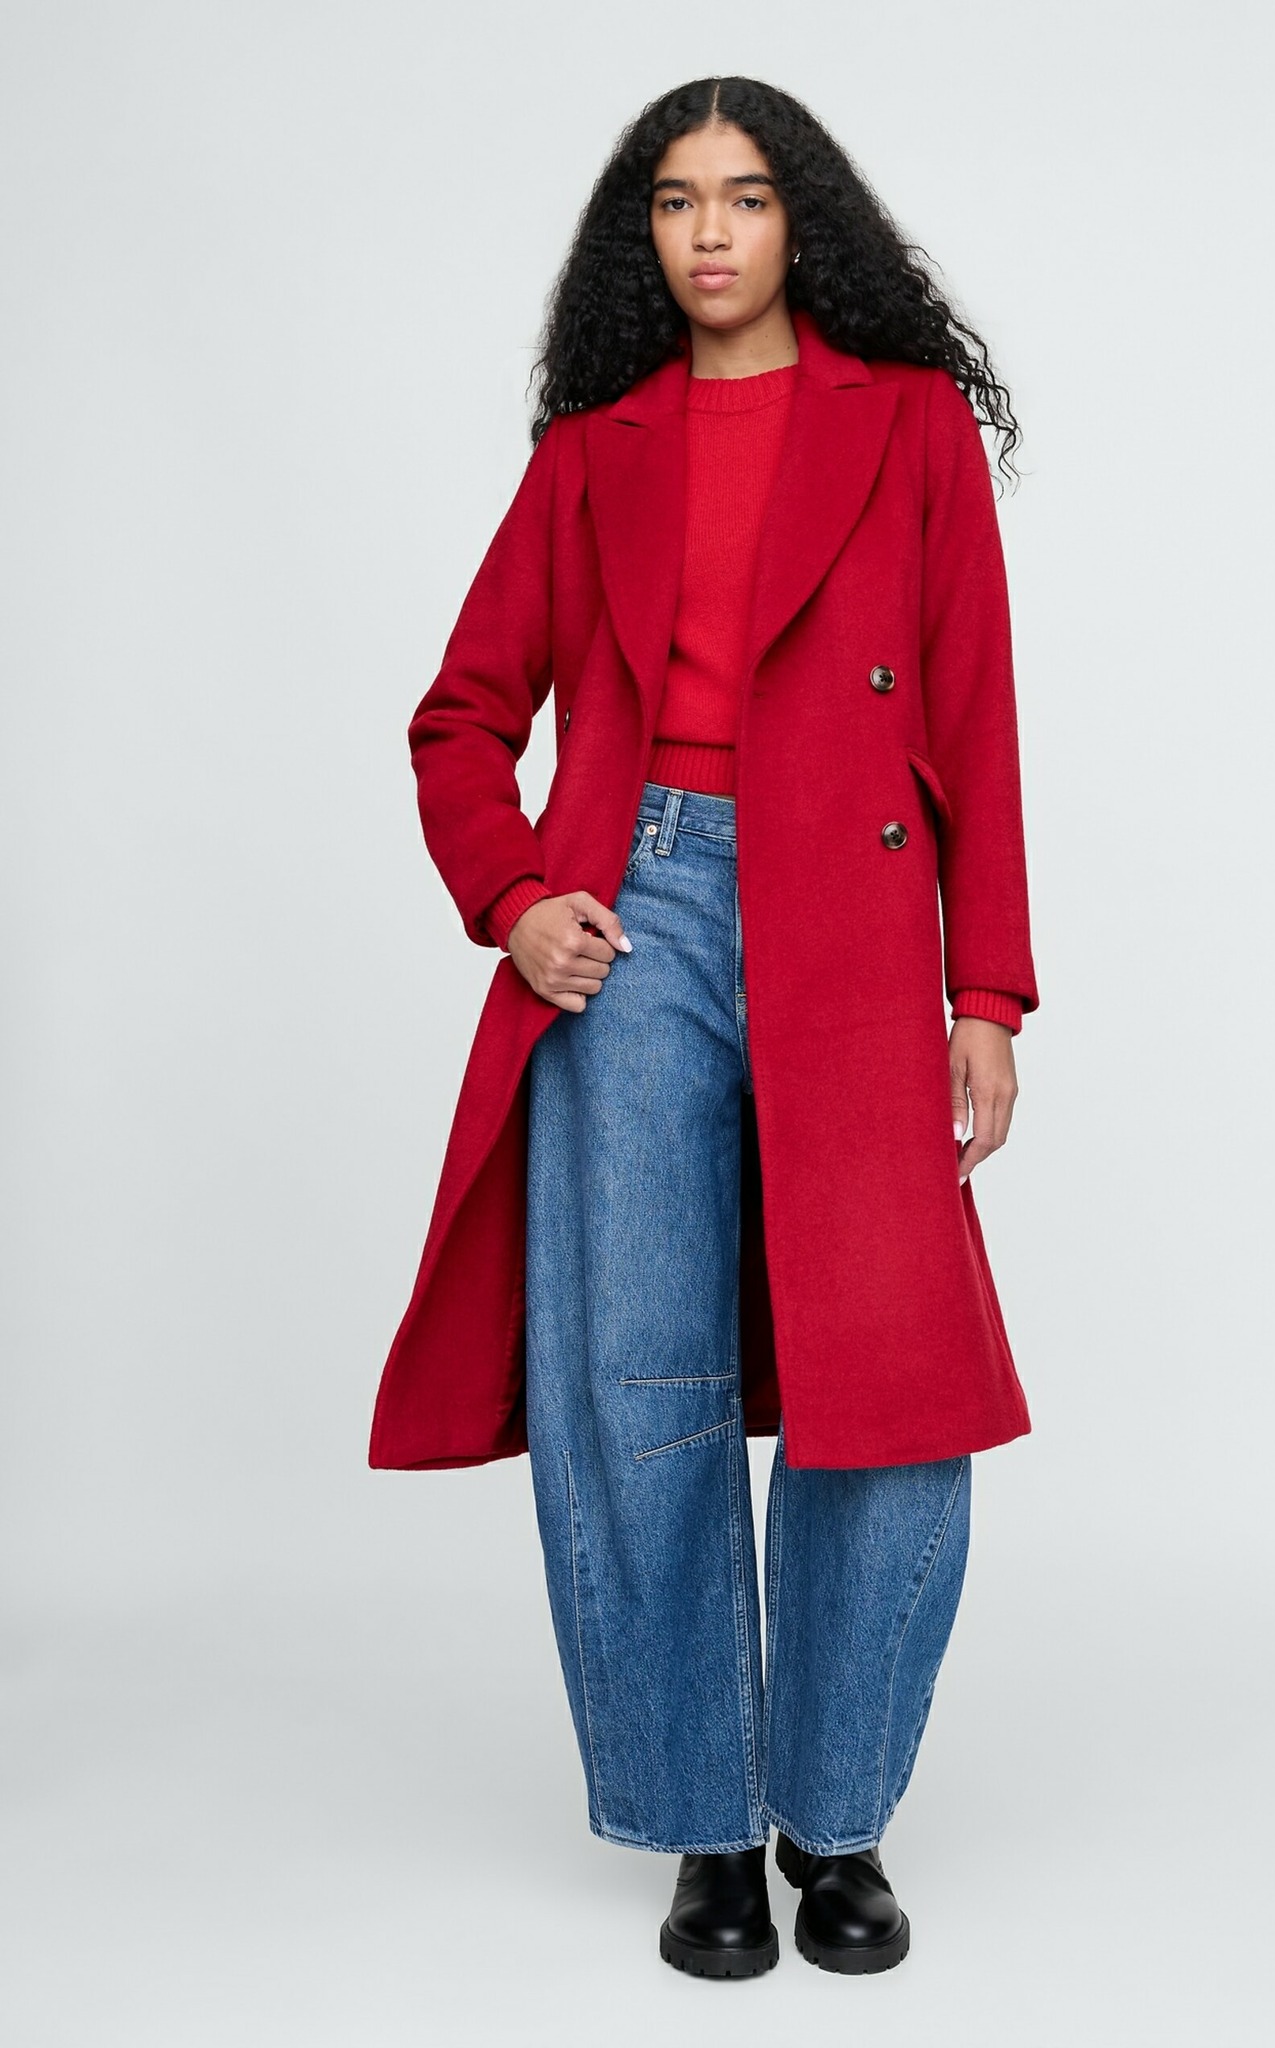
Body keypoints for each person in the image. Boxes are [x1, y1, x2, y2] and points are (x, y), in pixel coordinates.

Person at [369, 75, 1040, 1981]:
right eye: (677, 202)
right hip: (638, 912)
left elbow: (976, 712)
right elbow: (461, 716)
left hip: (851, 918)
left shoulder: (909, 424)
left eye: (746, 195)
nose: (714, 232)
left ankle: (839, 1818)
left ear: (800, 217)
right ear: (641, 236)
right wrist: (517, 897)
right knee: (635, 1383)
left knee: (885, 1380)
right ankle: (703, 1828)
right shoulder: (595, 453)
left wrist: (987, 990)